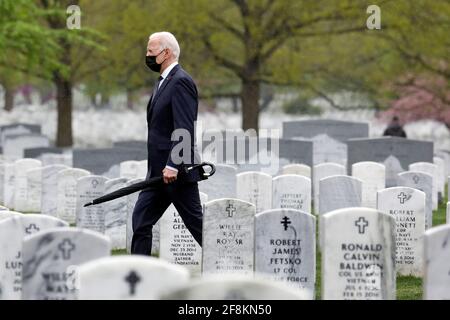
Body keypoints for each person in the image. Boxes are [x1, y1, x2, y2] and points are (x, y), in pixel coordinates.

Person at [131, 32, 203, 255]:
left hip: (176, 173)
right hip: (157, 174)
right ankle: (137, 277)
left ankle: (232, 267)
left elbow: (184, 128)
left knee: (198, 227)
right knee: (141, 221)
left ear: (167, 53)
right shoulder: (163, 82)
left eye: (151, 52)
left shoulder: (181, 82)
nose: (147, 56)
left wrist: (173, 164)